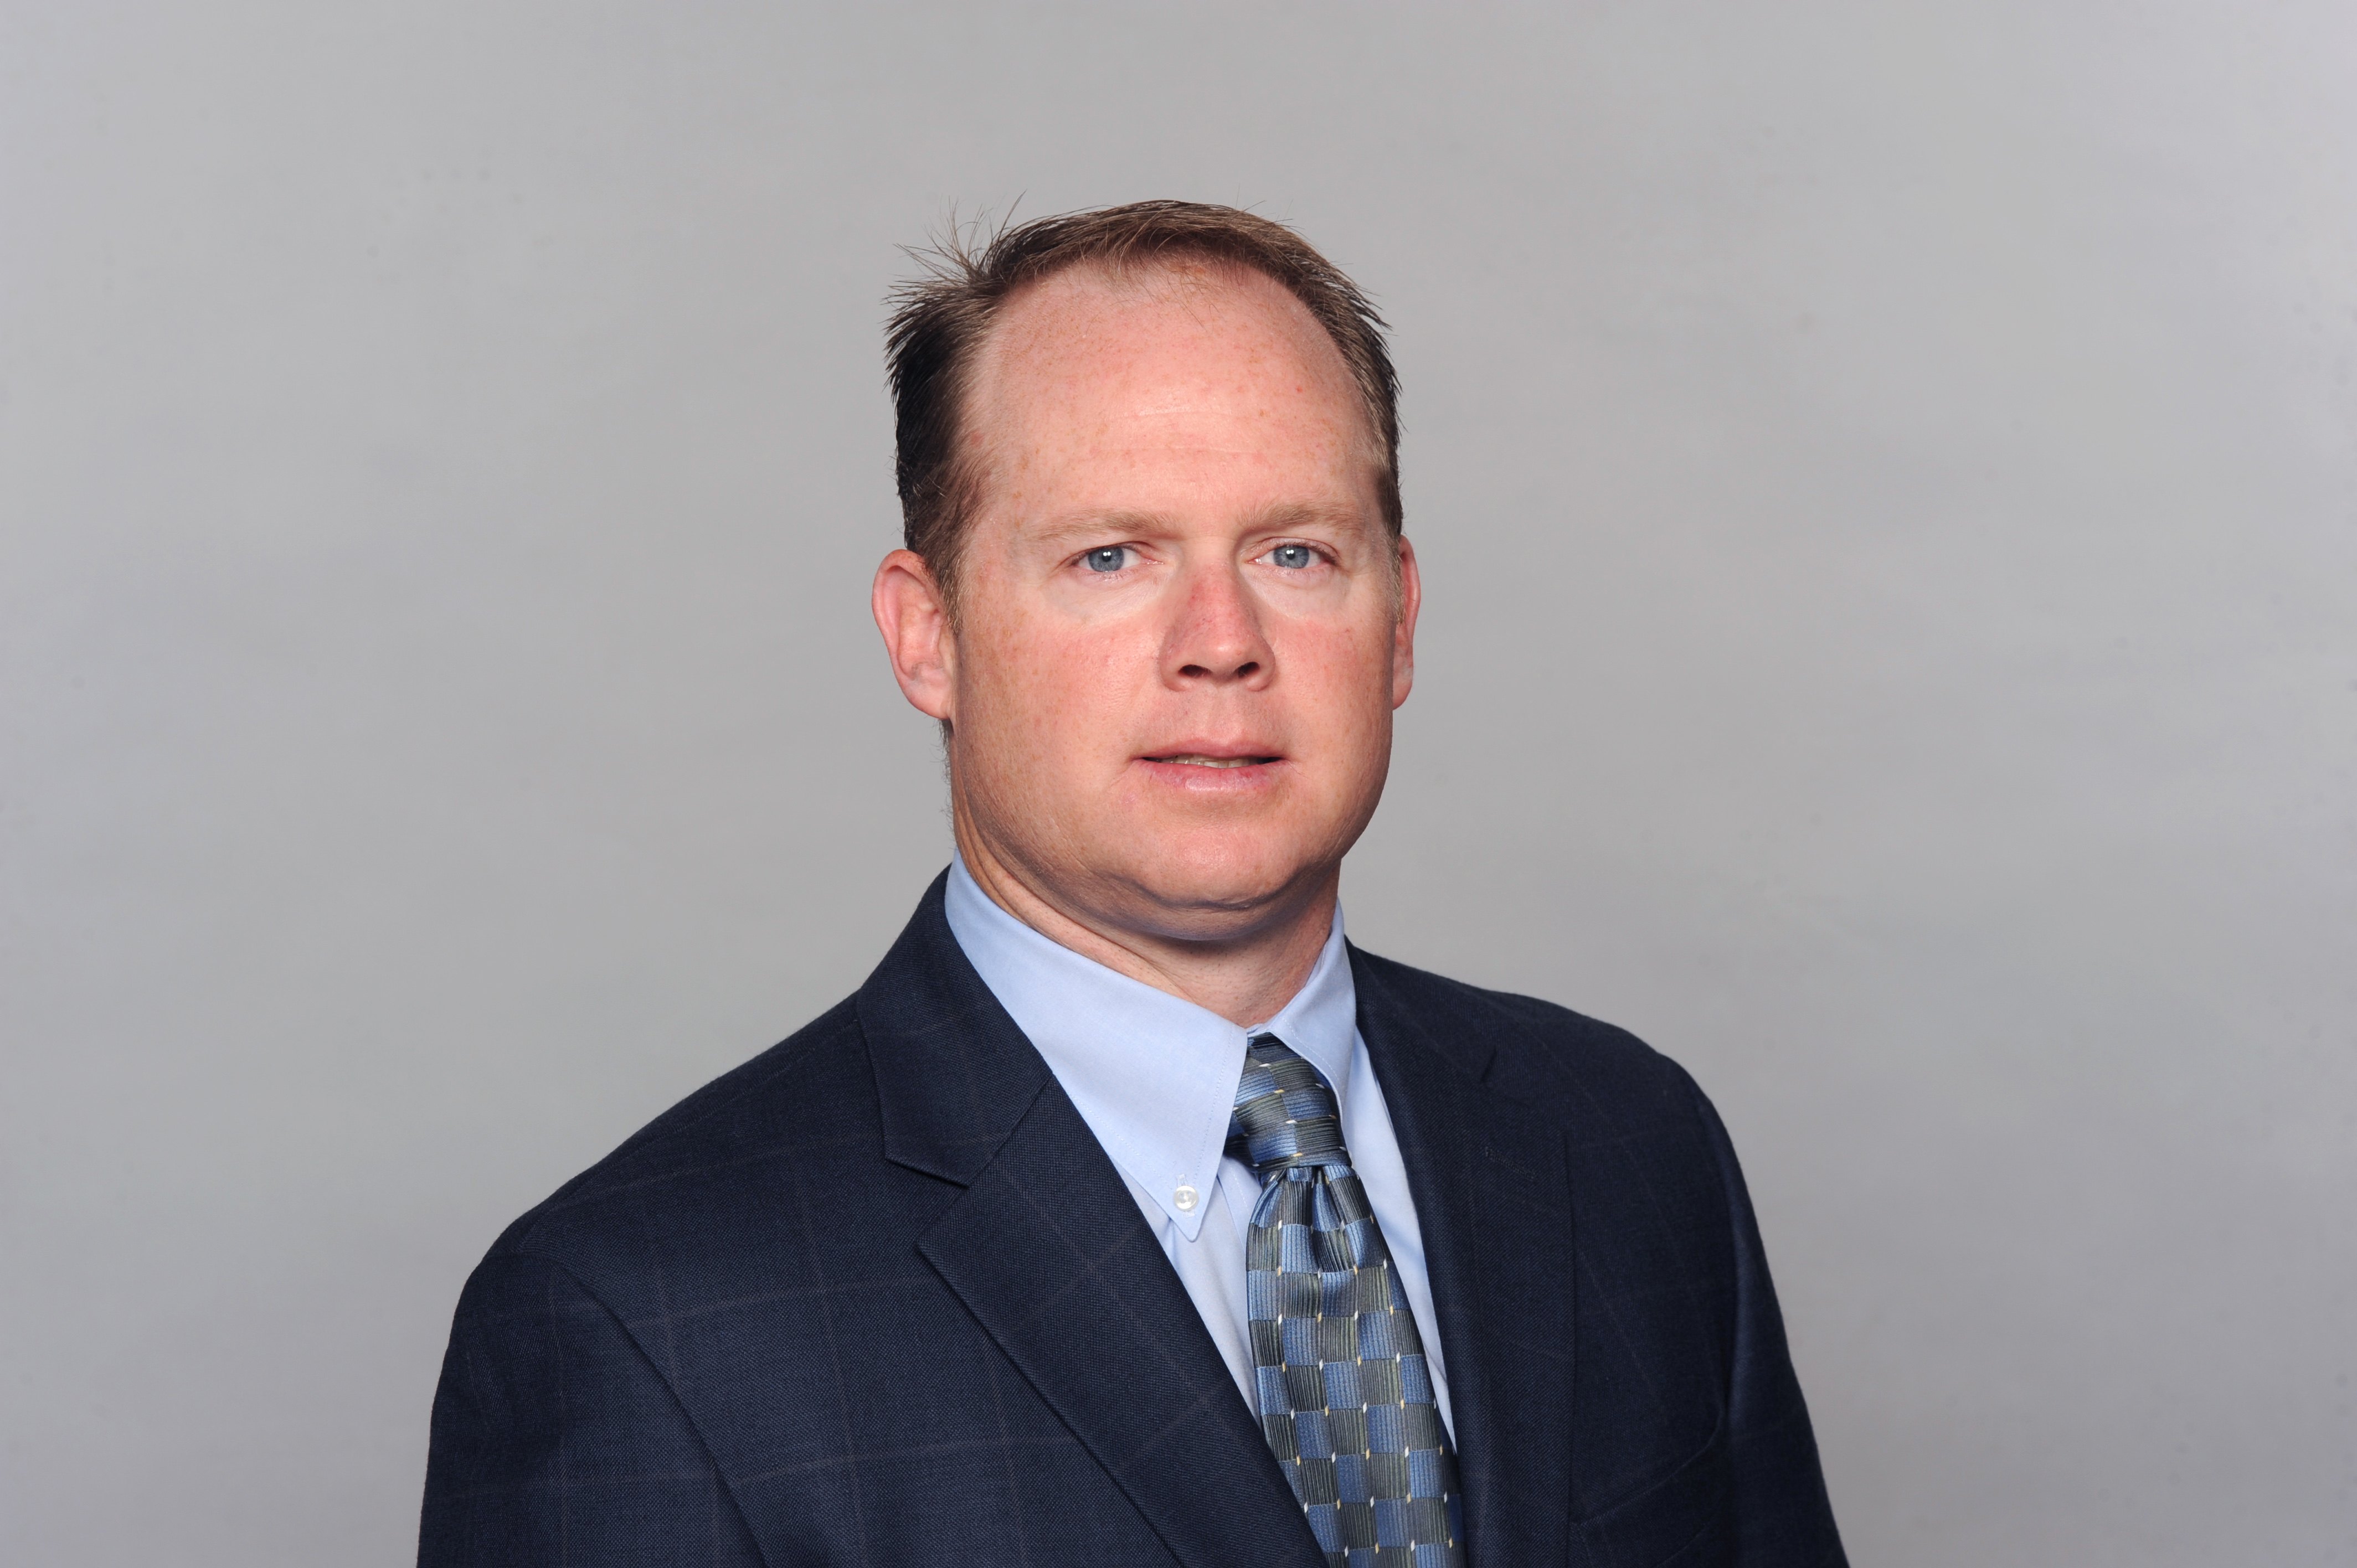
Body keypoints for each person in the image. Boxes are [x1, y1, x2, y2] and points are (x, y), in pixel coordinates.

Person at [418, 200, 1846, 1568]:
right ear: (928, 637)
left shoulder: (1627, 1147)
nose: (1219, 641)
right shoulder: (638, 1318)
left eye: (1295, 552)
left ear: (1398, 622)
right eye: (1110, 556)